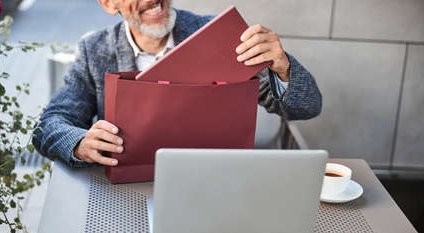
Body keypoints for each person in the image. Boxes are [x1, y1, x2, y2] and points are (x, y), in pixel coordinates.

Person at [33, 0, 322, 167]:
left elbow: (307, 108)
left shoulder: (219, 37)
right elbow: (50, 125)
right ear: (109, 3)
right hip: (128, 190)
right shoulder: (94, 50)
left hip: (217, 180)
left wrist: (284, 68)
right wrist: (80, 142)